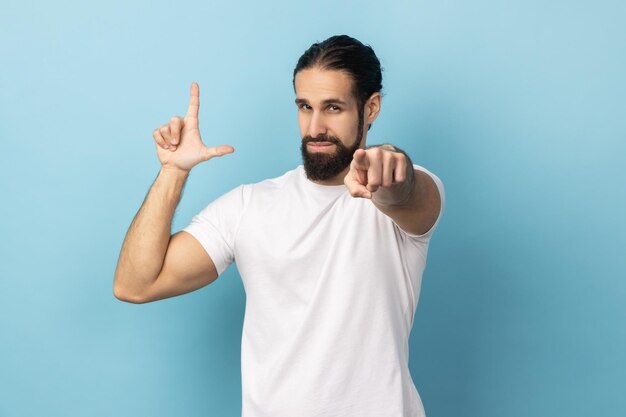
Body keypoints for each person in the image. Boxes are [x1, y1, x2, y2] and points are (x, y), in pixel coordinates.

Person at [114, 35, 444, 417]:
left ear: (370, 108)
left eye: (333, 107)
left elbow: (401, 191)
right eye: (305, 107)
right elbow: (135, 284)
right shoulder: (248, 206)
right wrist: (173, 170)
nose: (315, 126)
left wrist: (388, 163)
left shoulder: (406, 194)